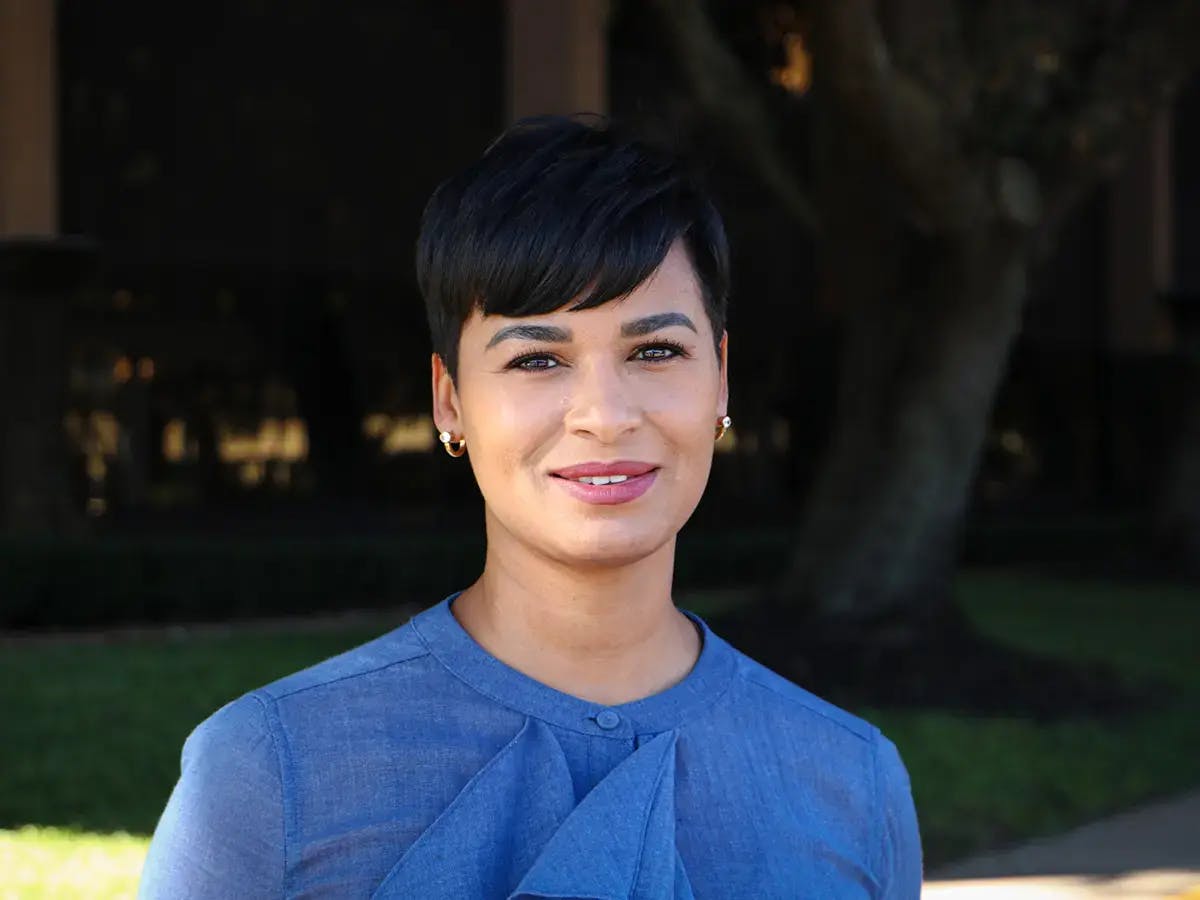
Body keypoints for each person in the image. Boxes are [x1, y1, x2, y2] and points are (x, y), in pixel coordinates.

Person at [138, 114, 923, 899]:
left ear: (719, 376)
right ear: (449, 400)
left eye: (654, 352)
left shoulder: (855, 784)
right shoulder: (270, 773)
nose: (604, 415)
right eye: (537, 358)